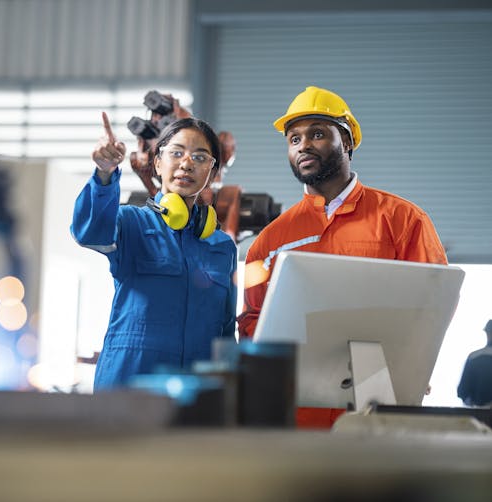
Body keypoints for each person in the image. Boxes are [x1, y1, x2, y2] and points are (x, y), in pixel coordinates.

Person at [237, 86, 447, 338]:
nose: (303, 146)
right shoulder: (268, 241)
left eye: (317, 134)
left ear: (346, 142)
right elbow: (252, 321)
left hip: (382, 372)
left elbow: (434, 301)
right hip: (296, 374)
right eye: (294, 139)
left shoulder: (403, 219)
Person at [71, 112, 237, 391]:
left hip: (196, 395)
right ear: (158, 164)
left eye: (200, 157)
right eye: (177, 153)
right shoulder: (131, 223)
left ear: (211, 173)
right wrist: (104, 174)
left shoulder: (221, 247)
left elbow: (225, 333)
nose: (186, 163)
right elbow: (90, 232)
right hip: (128, 387)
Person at [457, 320, 492, 407]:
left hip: (478, 414)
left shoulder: (474, 357)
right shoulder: (473, 357)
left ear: (487, 333)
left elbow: (462, 391)